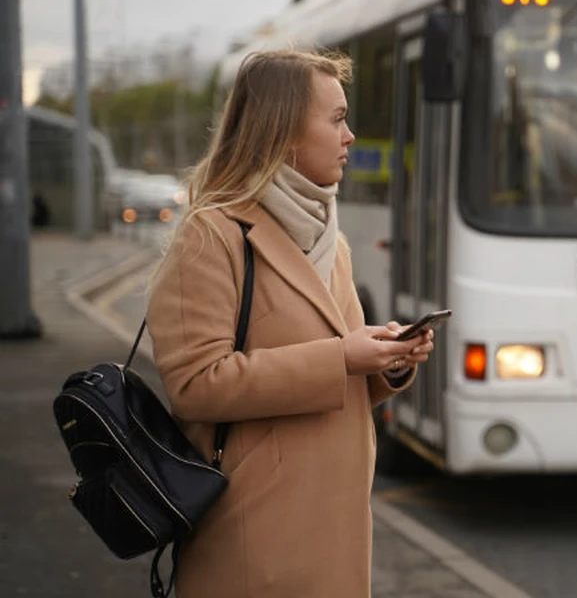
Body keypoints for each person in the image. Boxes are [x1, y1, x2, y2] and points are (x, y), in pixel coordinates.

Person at [145, 49, 435, 597]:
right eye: (336, 118)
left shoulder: (332, 240)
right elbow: (194, 386)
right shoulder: (212, 234)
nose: (350, 135)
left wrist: (389, 361)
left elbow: (345, 379)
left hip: (334, 525)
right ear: (283, 129)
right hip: (255, 530)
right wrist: (343, 357)